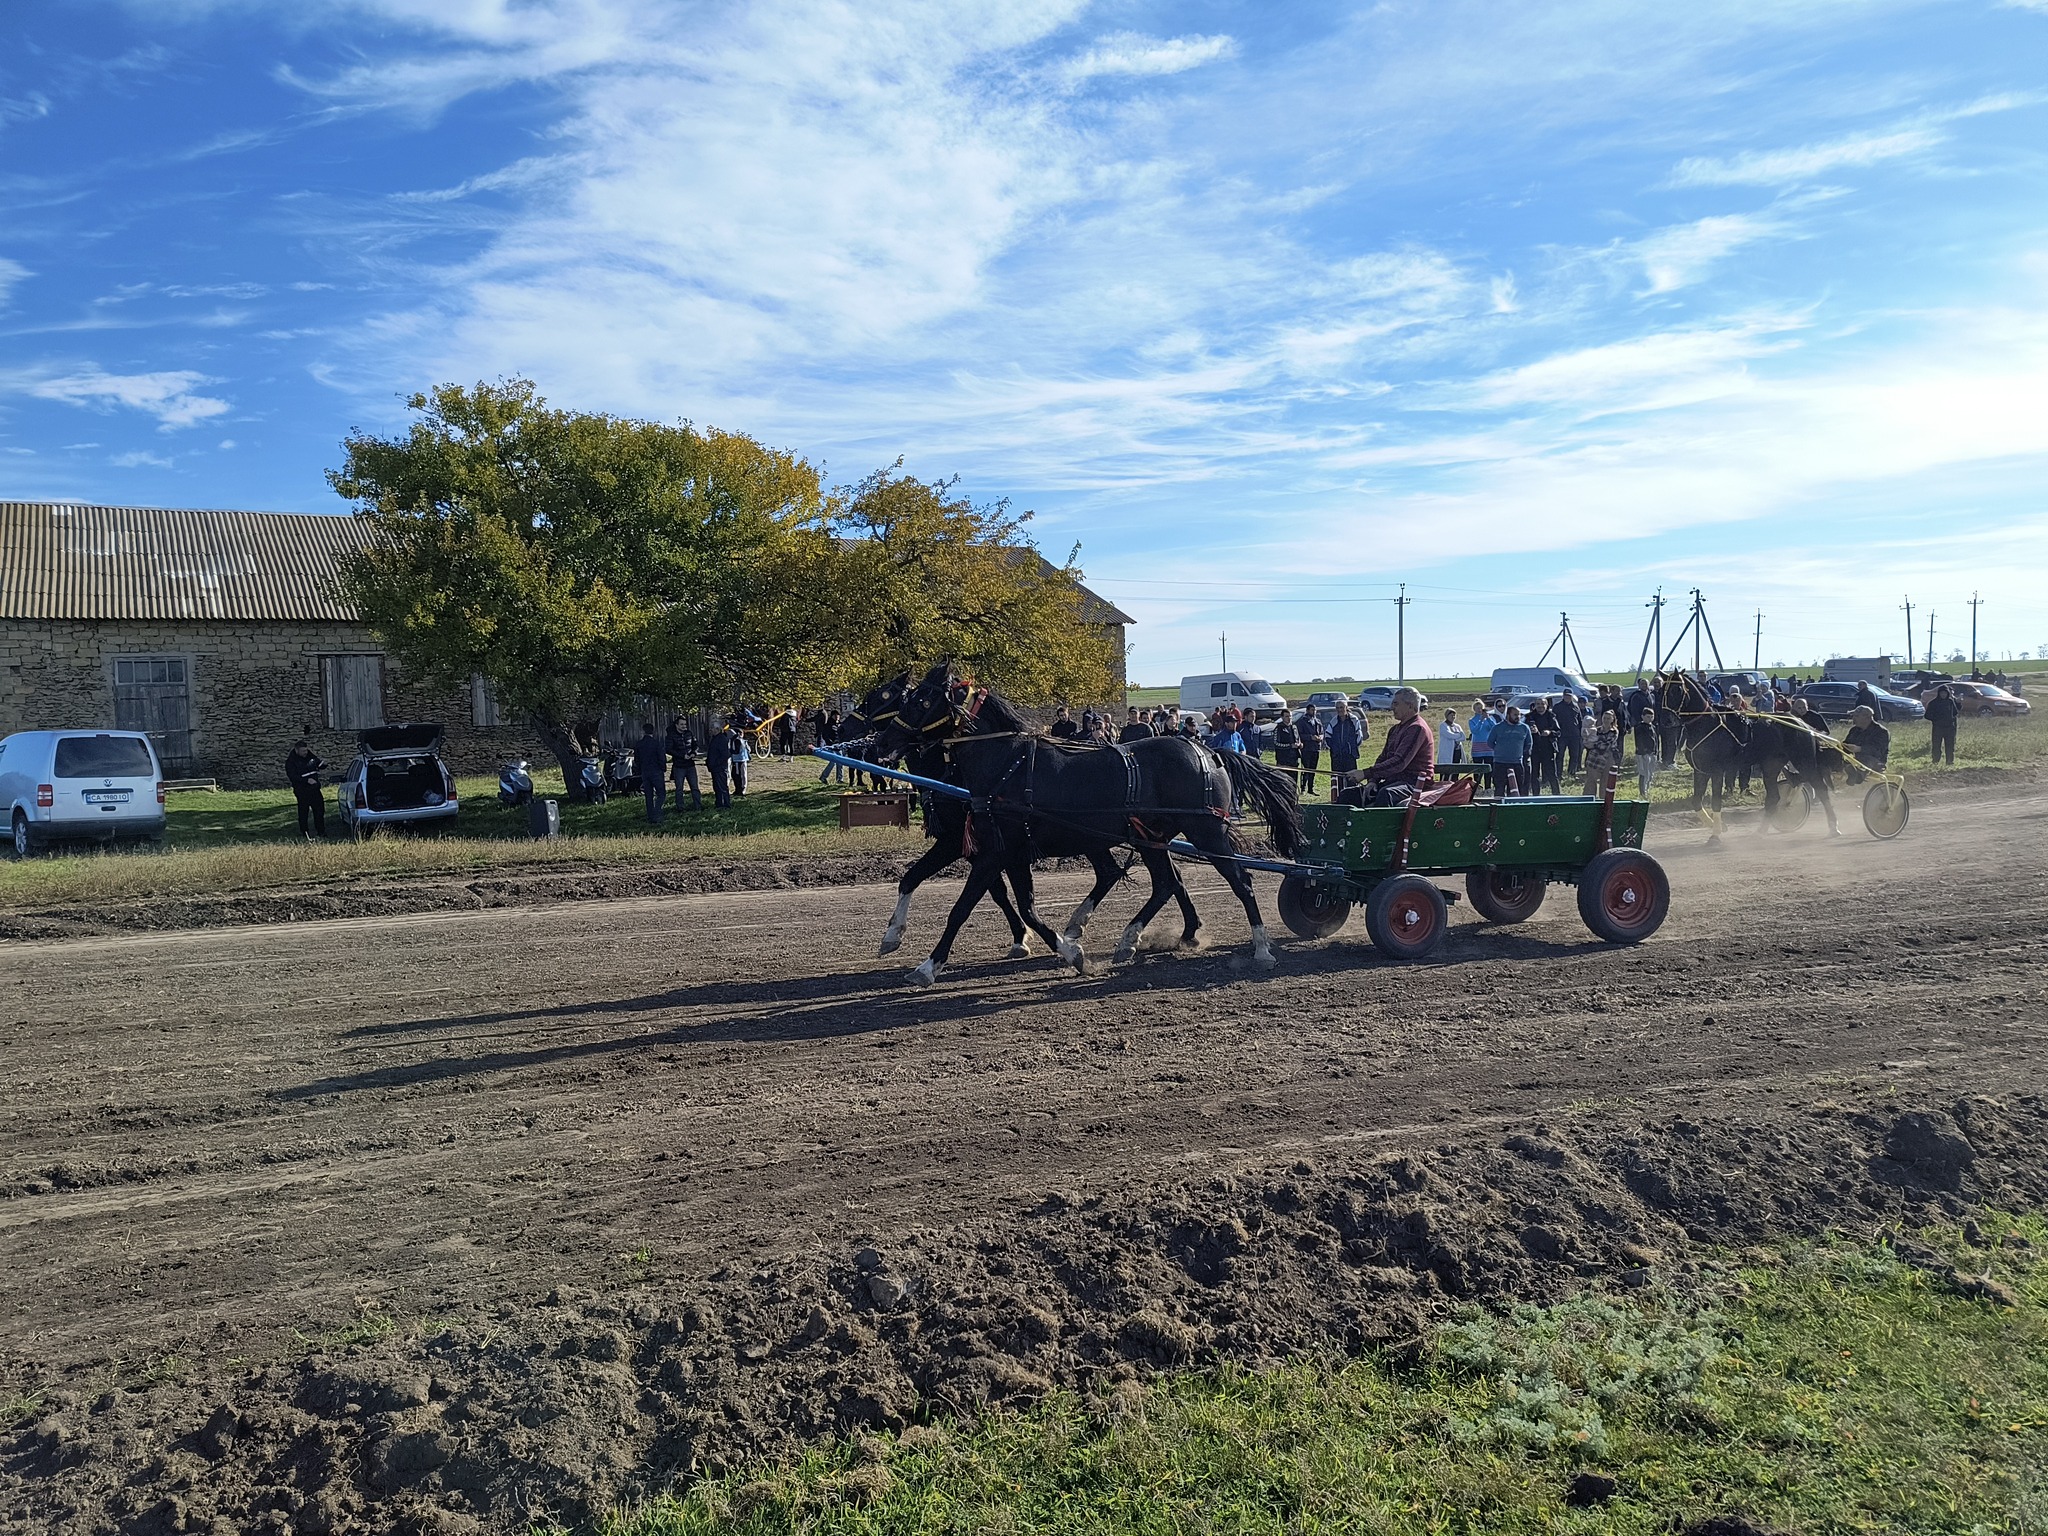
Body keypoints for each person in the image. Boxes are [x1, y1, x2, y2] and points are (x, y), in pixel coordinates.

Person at [1355, 687, 1436, 805]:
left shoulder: (1417, 728)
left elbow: (1400, 762)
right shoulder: (1395, 730)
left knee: (1386, 794)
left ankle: (1382, 824)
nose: (1392, 707)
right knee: (1350, 795)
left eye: (1396, 704)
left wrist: (1366, 773)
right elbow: (1383, 757)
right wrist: (1373, 780)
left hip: (1415, 783)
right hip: (1395, 781)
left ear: (1410, 706)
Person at [284, 738, 327, 839]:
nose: (305, 752)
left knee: (319, 811)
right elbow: (293, 777)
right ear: (296, 750)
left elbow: (317, 763)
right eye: (303, 751)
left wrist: (323, 765)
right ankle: (304, 833)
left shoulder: (310, 756)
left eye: (306, 750)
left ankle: (321, 832)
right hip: (302, 790)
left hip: (315, 789)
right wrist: (306, 780)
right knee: (303, 812)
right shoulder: (291, 762)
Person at [1327, 698, 1365, 800]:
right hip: (1337, 756)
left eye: (1341, 707)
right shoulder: (1333, 721)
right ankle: (1338, 798)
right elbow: (1327, 736)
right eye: (1337, 708)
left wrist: (1351, 748)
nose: (1339, 710)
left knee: (1351, 778)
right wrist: (1334, 749)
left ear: (1346, 708)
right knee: (1338, 778)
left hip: (1350, 755)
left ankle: (1353, 798)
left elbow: (1359, 736)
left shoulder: (1354, 720)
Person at [1490, 705, 1531, 797]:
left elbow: (1528, 744)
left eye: (1519, 715)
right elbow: (1490, 742)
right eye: (1515, 714)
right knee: (1499, 789)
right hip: (1500, 763)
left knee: (1515, 790)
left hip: (1517, 763)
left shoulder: (1524, 728)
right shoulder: (1498, 728)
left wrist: (1519, 753)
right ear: (1508, 715)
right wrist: (1500, 751)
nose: (1518, 717)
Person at [1843, 704, 1891, 783]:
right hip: (1855, 759)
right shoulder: (1854, 730)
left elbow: (1877, 751)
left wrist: (1859, 749)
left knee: (1865, 759)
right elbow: (1846, 744)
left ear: (1867, 717)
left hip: (1876, 761)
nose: (1853, 718)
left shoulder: (1882, 732)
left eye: (1857, 716)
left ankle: (1858, 775)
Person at [1527, 696, 1562, 795]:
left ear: (1546, 705)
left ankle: (1556, 795)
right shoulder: (1529, 717)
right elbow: (1524, 732)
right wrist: (1531, 730)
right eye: (1538, 704)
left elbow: (1559, 732)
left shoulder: (1551, 716)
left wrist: (1550, 732)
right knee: (1534, 774)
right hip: (1534, 749)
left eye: (1542, 704)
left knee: (1551, 774)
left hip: (1548, 748)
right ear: (1535, 705)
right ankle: (1536, 796)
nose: (1540, 706)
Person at [1583, 709, 1622, 796]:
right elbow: (1588, 742)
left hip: (1607, 758)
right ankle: (1589, 800)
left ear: (1612, 719)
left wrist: (1593, 744)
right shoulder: (1596, 730)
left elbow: (1605, 745)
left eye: (1608, 718)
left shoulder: (1614, 732)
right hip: (1594, 758)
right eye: (1604, 718)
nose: (1606, 720)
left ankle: (1603, 802)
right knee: (1591, 781)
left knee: (1605, 782)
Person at [634, 721, 666, 823]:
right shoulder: (657, 743)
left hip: (645, 772)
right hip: (656, 771)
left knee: (649, 795)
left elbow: (636, 760)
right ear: (653, 731)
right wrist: (663, 768)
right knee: (661, 793)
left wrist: (639, 770)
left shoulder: (639, 744)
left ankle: (650, 815)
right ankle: (657, 812)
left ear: (643, 732)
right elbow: (661, 757)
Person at [667, 717, 702, 810]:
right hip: (679, 766)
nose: (684, 726)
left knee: (695, 787)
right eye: (681, 724)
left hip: (690, 765)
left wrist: (694, 753)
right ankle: (680, 808)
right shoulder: (671, 735)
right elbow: (669, 749)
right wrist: (682, 756)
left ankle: (698, 806)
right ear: (677, 725)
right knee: (679, 788)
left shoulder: (689, 733)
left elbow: (695, 745)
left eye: (685, 724)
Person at [705, 716, 736, 809]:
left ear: (717, 729)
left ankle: (725, 804)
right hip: (715, 767)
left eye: (712, 728)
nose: (711, 730)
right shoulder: (715, 738)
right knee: (717, 787)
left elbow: (725, 754)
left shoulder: (721, 739)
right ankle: (719, 803)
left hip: (720, 767)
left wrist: (715, 763)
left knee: (722, 787)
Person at [1466, 698, 1497, 790]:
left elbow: (1494, 728)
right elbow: (1475, 731)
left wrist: (1488, 719)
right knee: (1478, 769)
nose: (1479, 710)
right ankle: (1477, 786)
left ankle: (1488, 787)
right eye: (1477, 708)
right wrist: (1480, 721)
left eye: (1481, 708)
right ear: (1474, 709)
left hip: (1488, 746)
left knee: (1488, 768)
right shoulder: (1472, 720)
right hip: (1478, 747)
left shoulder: (1490, 718)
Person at [1926, 684, 1959, 766]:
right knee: (1936, 746)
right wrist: (1936, 720)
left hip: (1949, 728)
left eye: (1945, 693)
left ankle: (1950, 762)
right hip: (1938, 728)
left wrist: (1951, 721)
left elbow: (1955, 713)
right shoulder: (1933, 703)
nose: (1943, 695)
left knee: (1950, 746)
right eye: (1942, 693)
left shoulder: (1950, 702)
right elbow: (1927, 715)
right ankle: (1935, 761)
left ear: (1947, 693)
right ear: (1939, 694)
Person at [1633, 707, 1660, 800]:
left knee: (1651, 773)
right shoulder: (1639, 727)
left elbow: (1656, 740)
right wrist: (1643, 752)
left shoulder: (1653, 727)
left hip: (1652, 753)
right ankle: (1642, 792)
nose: (1650, 719)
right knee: (1644, 773)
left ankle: (1648, 789)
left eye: (1651, 717)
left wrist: (1656, 752)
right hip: (1643, 754)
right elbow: (1639, 741)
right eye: (1648, 717)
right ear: (1642, 717)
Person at [1297, 705, 1324, 796]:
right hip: (1306, 748)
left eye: (1315, 710)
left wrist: (1320, 737)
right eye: (1312, 710)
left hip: (1316, 748)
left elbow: (1322, 732)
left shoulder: (1318, 721)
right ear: (1307, 710)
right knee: (1306, 769)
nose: (1314, 712)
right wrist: (1310, 737)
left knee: (1313, 769)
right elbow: (1299, 735)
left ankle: (1310, 788)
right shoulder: (1302, 722)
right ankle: (1303, 788)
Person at [1557, 691, 1585, 775]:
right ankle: (1558, 774)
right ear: (1563, 696)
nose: (1567, 697)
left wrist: (1580, 733)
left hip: (1574, 735)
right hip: (1562, 735)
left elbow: (1580, 721)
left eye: (1569, 696)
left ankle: (1572, 773)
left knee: (1574, 755)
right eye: (1566, 695)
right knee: (1560, 756)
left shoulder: (1576, 707)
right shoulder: (1558, 707)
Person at [1273, 709, 1300, 780]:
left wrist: (1299, 745)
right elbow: (1276, 743)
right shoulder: (1278, 728)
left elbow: (1297, 739)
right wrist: (1289, 746)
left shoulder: (1294, 727)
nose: (1289, 718)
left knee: (1294, 779)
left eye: (1290, 716)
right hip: (1283, 758)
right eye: (1287, 716)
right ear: (1282, 717)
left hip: (1294, 758)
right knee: (1284, 779)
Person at [730, 716, 751, 797]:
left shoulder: (738, 741)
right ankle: (738, 789)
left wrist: (730, 751)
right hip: (738, 760)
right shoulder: (742, 741)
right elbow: (749, 750)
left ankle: (741, 790)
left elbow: (737, 751)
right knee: (736, 775)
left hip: (740, 760)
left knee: (740, 775)